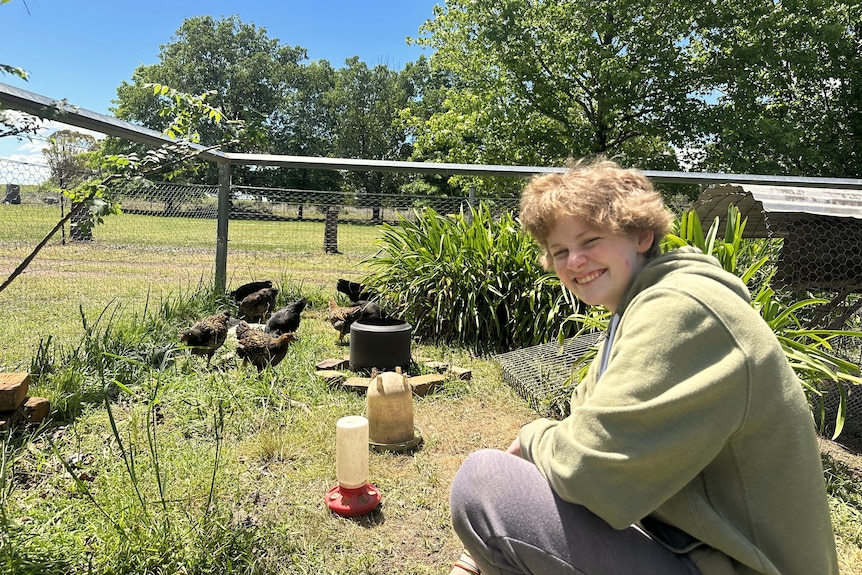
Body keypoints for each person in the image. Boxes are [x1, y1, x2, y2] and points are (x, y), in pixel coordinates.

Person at [448, 158, 839, 575]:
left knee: (485, 481)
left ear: (641, 234)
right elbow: (581, 424)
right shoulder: (638, 307)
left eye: (591, 239)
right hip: (695, 549)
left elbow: (586, 466)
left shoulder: (683, 309)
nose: (575, 261)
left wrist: (531, 438)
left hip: (736, 565)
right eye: (560, 251)